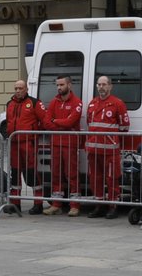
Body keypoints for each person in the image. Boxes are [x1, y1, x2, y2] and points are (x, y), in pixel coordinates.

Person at [84, 75, 130, 218]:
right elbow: (89, 123)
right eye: (99, 84)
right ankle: (99, 205)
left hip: (110, 150)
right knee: (95, 178)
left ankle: (112, 206)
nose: (101, 87)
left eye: (104, 84)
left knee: (112, 179)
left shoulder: (118, 103)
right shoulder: (92, 103)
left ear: (110, 86)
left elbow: (125, 126)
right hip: (93, 150)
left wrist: (110, 137)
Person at [3, 79, 49, 214]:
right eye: (16, 88)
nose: (18, 91)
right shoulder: (10, 104)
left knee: (32, 174)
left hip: (29, 144)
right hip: (14, 144)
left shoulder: (34, 103)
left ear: (26, 89)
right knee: (15, 174)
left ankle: (38, 203)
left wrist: (35, 133)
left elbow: (44, 120)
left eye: (20, 88)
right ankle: (15, 203)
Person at [43, 75, 83, 215]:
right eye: (57, 85)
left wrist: (56, 121)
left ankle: (75, 205)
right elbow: (47, 122)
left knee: (71, 174)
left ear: (69, 85)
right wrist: (59, 124)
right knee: (56, 174)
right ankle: (56, 204)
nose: (59, 87)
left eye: (61, 85)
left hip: (70, 144)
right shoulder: (54, 101)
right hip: (55, 143)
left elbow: (71, 122)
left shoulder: (77, 102)